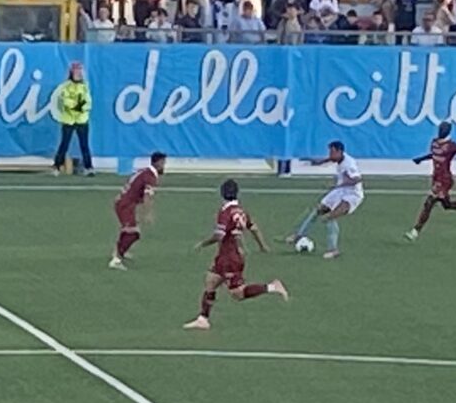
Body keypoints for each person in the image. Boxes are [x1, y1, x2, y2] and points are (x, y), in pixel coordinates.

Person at [184, 179, 287, 331]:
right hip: (227, 256)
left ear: (222, 193)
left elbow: (219, 235)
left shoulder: (225, 212)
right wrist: (262, 246)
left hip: (230, 258)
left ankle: (272, 287)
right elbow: (254, 228)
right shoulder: (241, 211)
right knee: (211, 281)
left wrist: (203, 244)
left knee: (237, 293)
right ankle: (203, 319)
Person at [287, 139, 369, 259]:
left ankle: (333, 250)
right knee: (318, 210)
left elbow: (357, 179)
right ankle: (299, 235)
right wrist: (318, 162)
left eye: (332, 152)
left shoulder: (349, 164)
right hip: (340, 191)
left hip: (352, 195)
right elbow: (332, 159)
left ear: (339, 151)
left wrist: (339, 184)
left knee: (330, 217)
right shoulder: (340, 158)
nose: (330, 155)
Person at [405, 119, 456, 240]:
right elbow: (434, 155)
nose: (441, 131)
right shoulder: (435, 142)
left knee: (429, 202)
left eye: (443, 129)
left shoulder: (451, 146)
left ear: (448, 132)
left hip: (445, 180)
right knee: (447, 205)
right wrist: (421, 159)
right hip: (436, 178)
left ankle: (415, 231)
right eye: (440, 128)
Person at [109, 151, 166, 269]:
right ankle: (116, 259)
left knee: (128, 230)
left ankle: (119, 252)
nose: (164, 166)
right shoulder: (150, 176)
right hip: (125, 205)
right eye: (163, 163)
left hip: (123, 202)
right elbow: (147, 196)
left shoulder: (143, 171)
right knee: (133, 233)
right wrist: (148, 213)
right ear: (158, 163)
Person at [50, 60, 94, 176]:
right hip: (68, 120)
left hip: (82, 120)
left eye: (79, 71)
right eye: (76, 71)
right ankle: (57, 166)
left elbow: (88, 101)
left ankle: (88, 167)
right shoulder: (66, 86)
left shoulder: (84, 86)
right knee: (64, 144)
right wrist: (76, 106)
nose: (78, 73)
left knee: (84, 145)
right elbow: (66, 101)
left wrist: (81, 107)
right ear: (71, 72)